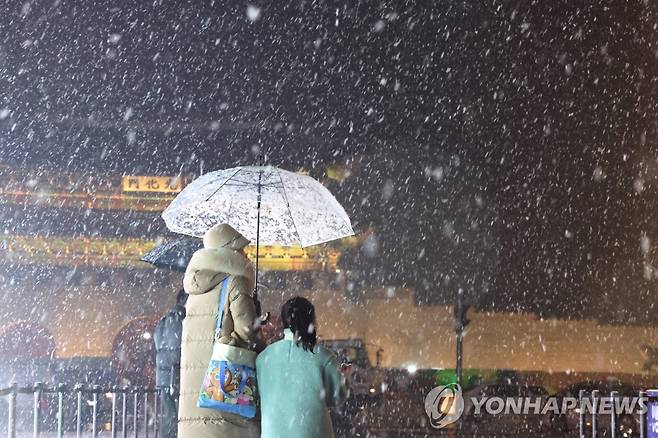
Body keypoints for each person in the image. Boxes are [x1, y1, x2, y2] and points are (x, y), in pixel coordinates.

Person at [178, 223, 264, 438]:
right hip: (224, 389)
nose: (245, 255)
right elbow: (248, 331)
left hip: (197, 398)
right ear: (228, 252)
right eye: (240, 249)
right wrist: (256, 323)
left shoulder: (194, 291)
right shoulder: (236, 282)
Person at [257, 297, 349, 438]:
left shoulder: (264, 357)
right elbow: (336, 398)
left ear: (284, 321)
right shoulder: (324, 357)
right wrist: (344, 377)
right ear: (311, 321)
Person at [154, 290, 187, 438]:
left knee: (170, 417)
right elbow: (175, 347)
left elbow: (159, 344)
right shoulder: (178, 316)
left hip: (164, 375)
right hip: (174, 375)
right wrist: (181, 366)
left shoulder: (165, 318)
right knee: (177, 418)